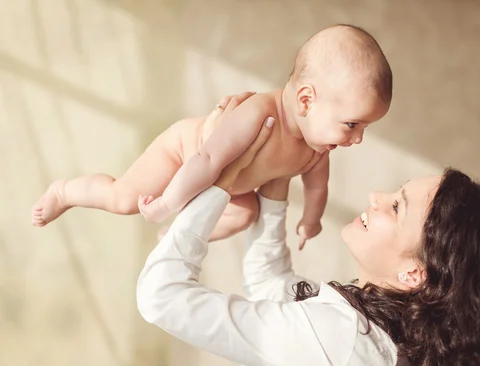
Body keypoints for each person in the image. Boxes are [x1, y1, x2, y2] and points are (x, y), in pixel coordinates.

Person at [136, 94, 480, 366]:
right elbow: (271, 285)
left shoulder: (338, 341)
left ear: (414, 273)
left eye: (396, 206)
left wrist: (221, 181)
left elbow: (161, 297)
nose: (375, 195)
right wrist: (277, 174)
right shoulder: (389, 339)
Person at [31, 24, 392, 250]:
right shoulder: (259, 114)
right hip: (183, 157)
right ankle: (66, 191)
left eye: (363, 128)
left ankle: (177, 235)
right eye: (352, 124)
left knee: (244, 215)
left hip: (225, 188)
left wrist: (311, 220)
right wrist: (168, 201)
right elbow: (207, 160)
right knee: (123, 199)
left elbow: (316, 189)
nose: (357, 139)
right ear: (306, 99)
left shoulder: (317, 150)